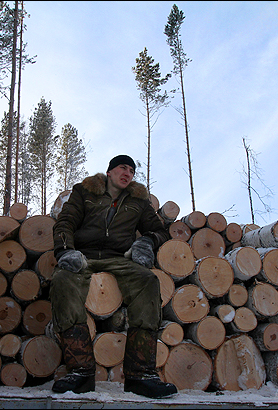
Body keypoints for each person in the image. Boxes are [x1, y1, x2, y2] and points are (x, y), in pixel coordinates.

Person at [49, 154, 178, 399]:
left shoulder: (139, 201)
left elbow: (159, 230)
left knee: (148, 281)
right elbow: (65, 222)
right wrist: (65, 251)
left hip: (120, 258)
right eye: (122, 168)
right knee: (62, 281)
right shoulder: (84, 192)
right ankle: (80, 372)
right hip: (83, 256)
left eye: (131, 170)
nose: (127, 173)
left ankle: (141, 376)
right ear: (109, 172)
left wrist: (147, 242)